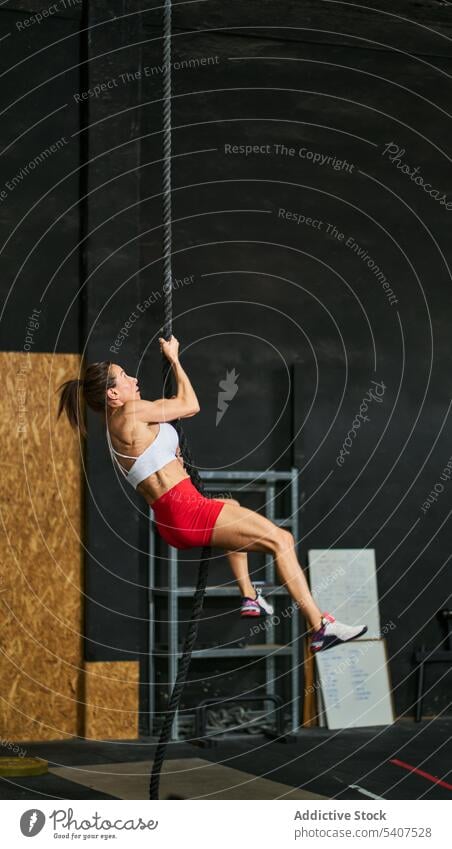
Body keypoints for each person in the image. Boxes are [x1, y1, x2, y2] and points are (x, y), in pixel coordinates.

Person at [57, 335, 367, 652]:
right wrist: (175, 360)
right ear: (112, 394)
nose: (133, 380)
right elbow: (190, 406)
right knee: (282, 540)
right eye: (124, 377)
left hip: (172, 519)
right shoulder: (132, 411)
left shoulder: (116, 430)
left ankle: (249, 596)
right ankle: (319, 627)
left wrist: (171, 455)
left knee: (230, 505)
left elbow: (152, 459)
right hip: (187, 510)